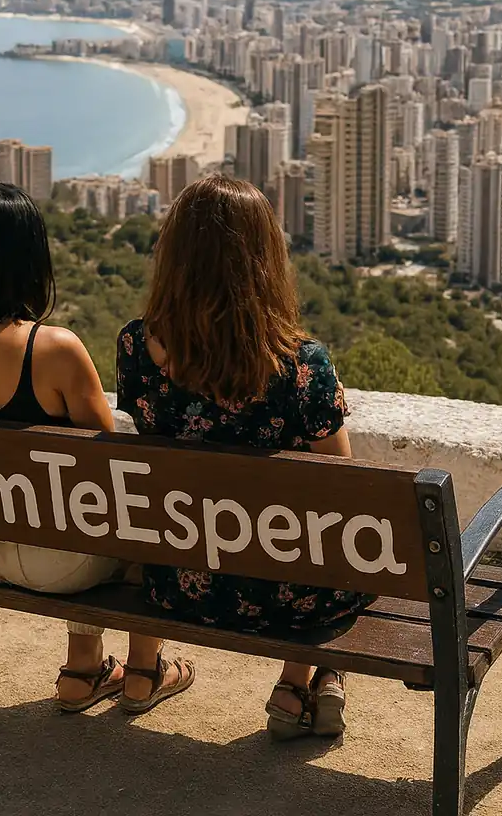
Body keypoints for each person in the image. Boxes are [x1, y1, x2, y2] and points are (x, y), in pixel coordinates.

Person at [0, 183, 193, 715]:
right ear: (32, 259)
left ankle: (86, 669)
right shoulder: (53, 349)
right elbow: (114, 470)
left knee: (72, 506)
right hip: (56, 564)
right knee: (130, 481)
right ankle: (141, 669)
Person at [116, 174, 368, 741]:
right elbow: (344, 492)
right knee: (325, 538)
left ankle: (142, 667)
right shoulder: (303, 366)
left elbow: (154, 453)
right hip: (288, 599)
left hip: (177, 580)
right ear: (266, 258)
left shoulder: (136, 347)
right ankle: (300, 680)